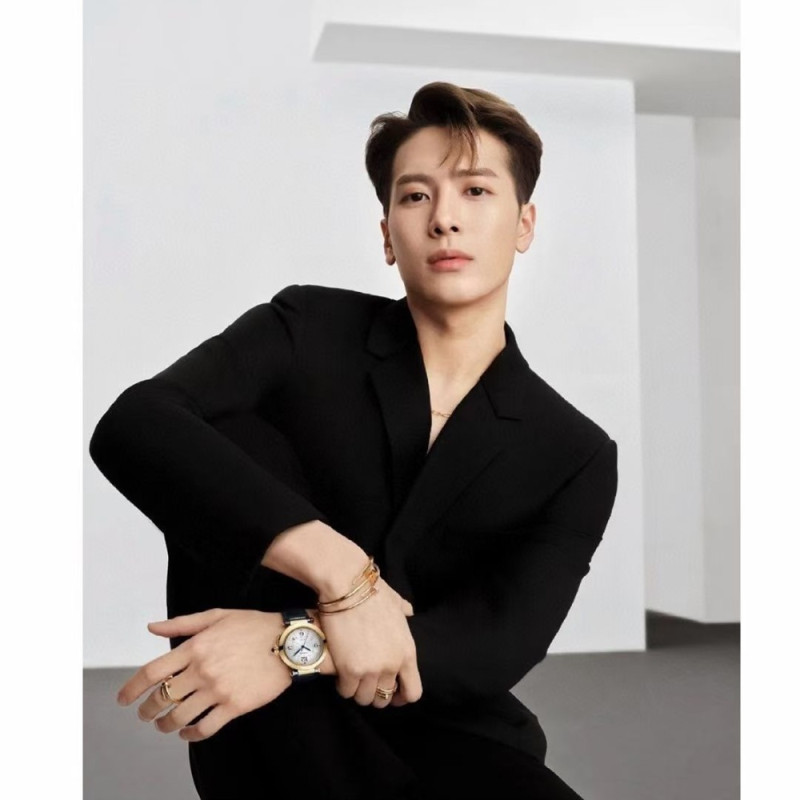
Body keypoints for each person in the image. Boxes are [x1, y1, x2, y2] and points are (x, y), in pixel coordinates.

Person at [89, 81, 619, 799]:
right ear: (387, 235)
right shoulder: (305, 330)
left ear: (524, 224)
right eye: (415, 196)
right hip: (276, 730)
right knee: (225, 428)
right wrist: (343, 576)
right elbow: (135, 424)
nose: (445, 220)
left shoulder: (575, 451)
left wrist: (291, 646)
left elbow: (498, 643)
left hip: (449, 731)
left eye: (475, 192)